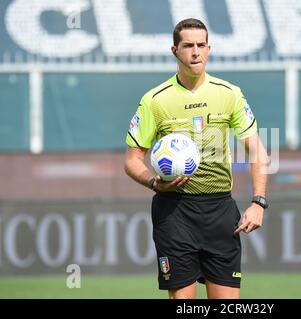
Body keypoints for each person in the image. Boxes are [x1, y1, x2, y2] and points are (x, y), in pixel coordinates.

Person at [124, 18, 269, 299]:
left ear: (209, 48)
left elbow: (258, 151)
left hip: (220, 211)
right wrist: (154, 183)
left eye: (201, 45)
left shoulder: (230, 94)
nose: (195, 52)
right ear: (174, 50)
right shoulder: (154, 100)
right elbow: (131, 161)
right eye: (188, 45)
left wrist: (258, 202)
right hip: (174, 212)